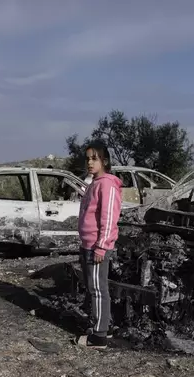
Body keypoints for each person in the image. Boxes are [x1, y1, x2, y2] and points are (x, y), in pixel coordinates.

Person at [75, 141, 122, 349]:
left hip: (96, 246)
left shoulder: (107, 184)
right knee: (94, 287)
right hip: (88, 244)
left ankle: (99, 336)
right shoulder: (95, 182)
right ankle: (104, 325)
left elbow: (109, 217)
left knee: (98, 289)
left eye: (94, 158)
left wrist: (102, 246)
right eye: (88, 159)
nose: (90, 163)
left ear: (104, 161)